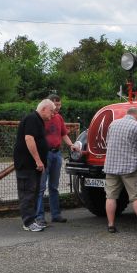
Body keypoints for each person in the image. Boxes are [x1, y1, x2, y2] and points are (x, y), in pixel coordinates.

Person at [104, 106, 137, 234]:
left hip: (111, 166)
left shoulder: (113, 124)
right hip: (129, 167)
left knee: (111, 196)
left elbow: (108, 142)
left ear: (127, 114)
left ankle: (111, 225)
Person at [35, 93, 78, 226]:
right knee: (41, 186)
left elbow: (63, 134)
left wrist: (71, 145)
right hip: (45, 154)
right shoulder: (42, 118)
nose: (58, 107)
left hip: (56, 154)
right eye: (56, 105)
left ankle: (56, 214)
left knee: (54, 186)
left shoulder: (59, 118)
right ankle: (39, 216)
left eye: (59, 104)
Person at [14, 99, 56, 232]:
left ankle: (32, 220)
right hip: (27, 165)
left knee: (34, 193)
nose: (53, 114)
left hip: (34, 166)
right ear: (43, 109)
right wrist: (38, 160)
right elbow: (29, 138)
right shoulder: (32, 118)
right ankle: (28, 222)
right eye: (51, 111)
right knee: (27, 193)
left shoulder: (38, 120)